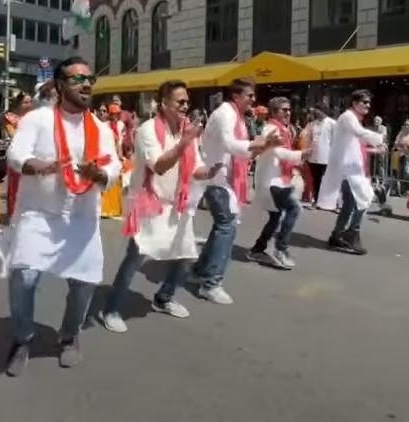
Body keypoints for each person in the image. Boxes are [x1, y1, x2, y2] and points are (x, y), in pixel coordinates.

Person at [1, 57, 121, 376]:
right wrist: (34, 165)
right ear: (59, 85)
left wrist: (100, 173)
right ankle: (23, 338)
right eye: (77, 79)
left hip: (81, 216)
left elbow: (115, 166)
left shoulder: (100, 127)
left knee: (85, 284)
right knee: (24, 277)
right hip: (38, 214)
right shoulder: (38, 119)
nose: (85, 84)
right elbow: (15, 153)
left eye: (89, 79)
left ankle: (69, 336)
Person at [101, 80, 216, 334]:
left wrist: (210, 172)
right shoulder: (147, 130)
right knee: (137, 257)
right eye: (180, 101)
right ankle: (110, 309)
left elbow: (196, 166)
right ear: (163, 104)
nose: (186, 106)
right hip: (149, 201)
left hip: (177, 203)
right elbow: (160, 166)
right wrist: (184, 142)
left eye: (187, 101)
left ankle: (163, 298)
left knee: (185, 256)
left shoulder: (186, 130)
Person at [192, 78, 277, 304]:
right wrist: (258, 143)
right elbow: (231, 145)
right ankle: (211, 283)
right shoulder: (226, 114)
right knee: (226, 226)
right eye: (249, 95)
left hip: (223, 180)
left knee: (223, 225)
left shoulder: (236, 116)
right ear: (236, 96)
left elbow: (242, 152)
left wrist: (264, 145)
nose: (253, 100)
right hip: (216, 179)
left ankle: (201, 269)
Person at [316, 90, 386, 255]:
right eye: (364, 102)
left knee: (350, 204)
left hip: (352, 168)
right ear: (354, 103)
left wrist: (374, 148)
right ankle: (350, 234)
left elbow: (357, 141)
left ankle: (337, 235)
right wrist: (380, 138)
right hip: (347, 170)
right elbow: (359, 133)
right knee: (364, 199)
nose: (367, 105)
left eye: (369, 102)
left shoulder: (353, 119)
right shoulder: (348, 117)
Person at [247, 97, 306, 270]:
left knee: (275, 217)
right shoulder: (271, 128)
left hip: (278, 179)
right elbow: (279, 152)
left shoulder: (285, 129)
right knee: (294, 209)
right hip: (272, 181)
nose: (288, 112)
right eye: (283, 110)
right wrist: (301, 155)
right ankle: (280, 249)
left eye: (289, 109)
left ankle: (257, 249)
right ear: (273, 113)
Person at [5, 92, 34, 220]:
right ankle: (15, 214)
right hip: (17, 156)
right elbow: (14, 136)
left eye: (30, 102)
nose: (29, 105)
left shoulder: (34, 118)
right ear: (18, 104)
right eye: (25, 102)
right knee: (16, 187)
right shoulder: (10, 118)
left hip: (32, 155)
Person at [304, 105, 335, 206]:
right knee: (316, 179)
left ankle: (327, 200)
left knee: (325, 179)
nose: (316, 113)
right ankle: (316, 199)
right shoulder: (312, 124)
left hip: (327, 156)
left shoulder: (332, 123)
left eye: (318, 110)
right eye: (315, 111)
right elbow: (308, 139)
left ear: (323, 111)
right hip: (313, 157)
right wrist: (306, 153)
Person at [100, 103, 125, 219]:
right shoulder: (104, 126)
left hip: (116, 156)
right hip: (106, 156)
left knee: (117, 182)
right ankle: (106, 210)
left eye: (117, 114)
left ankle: (115, 209)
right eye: (113, 114)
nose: (115, 116)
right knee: (108, 180)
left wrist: (120, 154)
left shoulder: (120, 125)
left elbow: (120, 141)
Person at [393, 119, 409, 194]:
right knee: (400, 173)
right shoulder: (401, 133)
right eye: (405, 124)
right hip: (401, 155)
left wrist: (408, 146)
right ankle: (402, 190)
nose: (406, 126)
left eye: (408, 125)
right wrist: (401, 145)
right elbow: (396, 142)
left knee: (408, 173)